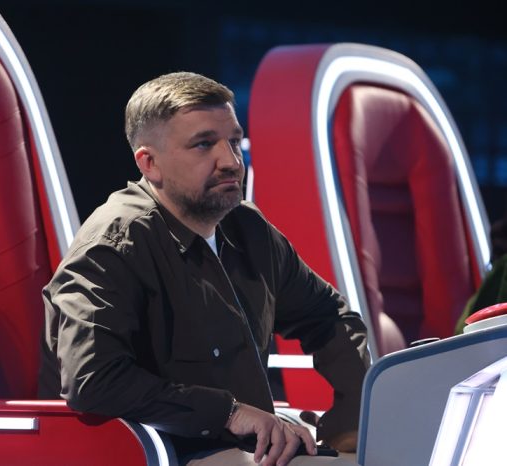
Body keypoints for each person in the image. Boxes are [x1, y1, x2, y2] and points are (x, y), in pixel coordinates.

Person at [41, 72, 370, 466]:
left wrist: (354, 413)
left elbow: (327, 315)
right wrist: (228, 413)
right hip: (159, 453)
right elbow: (93, 379)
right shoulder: (114, 244)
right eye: (204, 144)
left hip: (246, 448)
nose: (231, 161)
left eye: (234, 141)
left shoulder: (248, 228)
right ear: (149, 163)